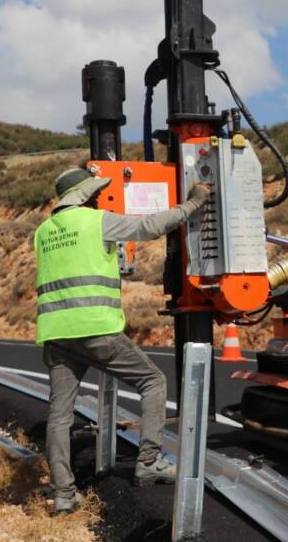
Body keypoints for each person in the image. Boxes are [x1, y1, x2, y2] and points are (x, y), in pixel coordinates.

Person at [34, 166, 211, 514]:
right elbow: (148, 227)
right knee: (152, 381)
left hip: (56, 334)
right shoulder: (96, 221)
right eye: (95, 192)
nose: (99, 196)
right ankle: (149, 461)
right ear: (85, 196)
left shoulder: (42, 232)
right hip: (96, 328)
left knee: (59, 415)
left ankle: (63, 495)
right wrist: (193, 204)